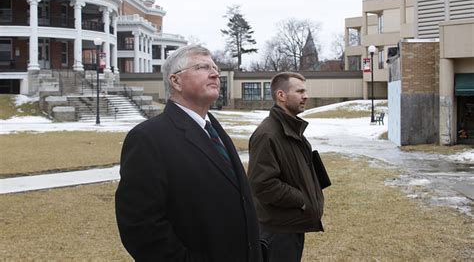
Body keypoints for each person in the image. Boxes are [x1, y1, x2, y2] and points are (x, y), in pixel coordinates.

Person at [115, 45, 262, 261]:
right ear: (175, 81)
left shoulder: (215, 131)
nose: (215, 74)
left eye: (215, 68)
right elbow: (141, 227)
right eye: (202, 67)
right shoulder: (148, 138)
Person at [247, 72, 325, 262]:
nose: (305, 96)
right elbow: (263, 184)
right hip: (277, 232)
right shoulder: (268, 134)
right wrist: (303, 200)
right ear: (281, 95)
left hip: (291, 227)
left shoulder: (292, 128)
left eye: (305, 91)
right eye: (299, 91)